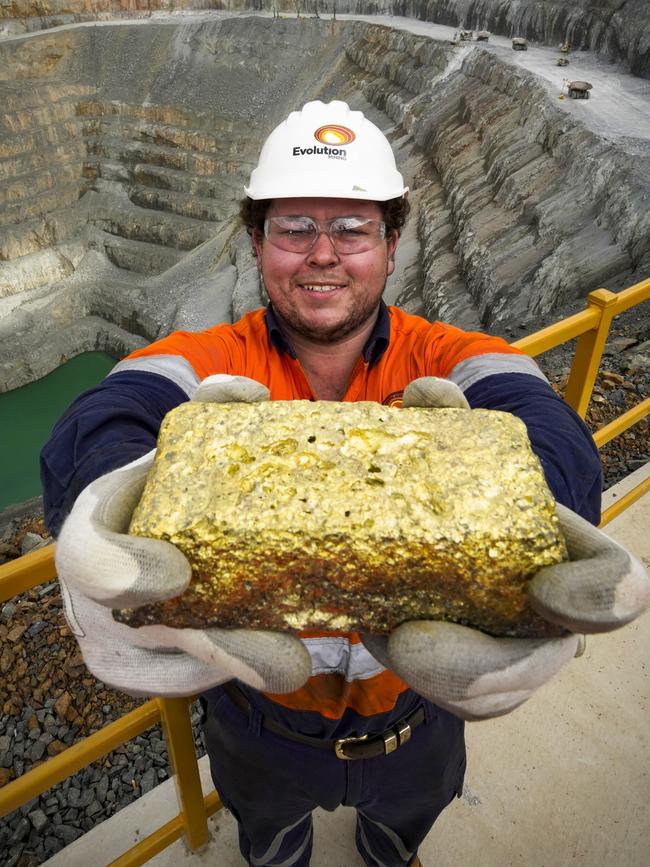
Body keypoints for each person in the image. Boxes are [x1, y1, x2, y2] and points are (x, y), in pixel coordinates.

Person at [41, 101, 649, 867]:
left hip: (419, 709)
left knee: (403, 830)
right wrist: (99, 503)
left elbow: (536, 412)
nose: (322, 253)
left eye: (353, 229)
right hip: (257, 712)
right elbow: (114, 409)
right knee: (269, 833)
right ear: (258, 243)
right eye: (294, 226)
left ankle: (389, 847)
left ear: (391, 245)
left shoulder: (449, 358)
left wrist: (545, 525)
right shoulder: (211, 366)